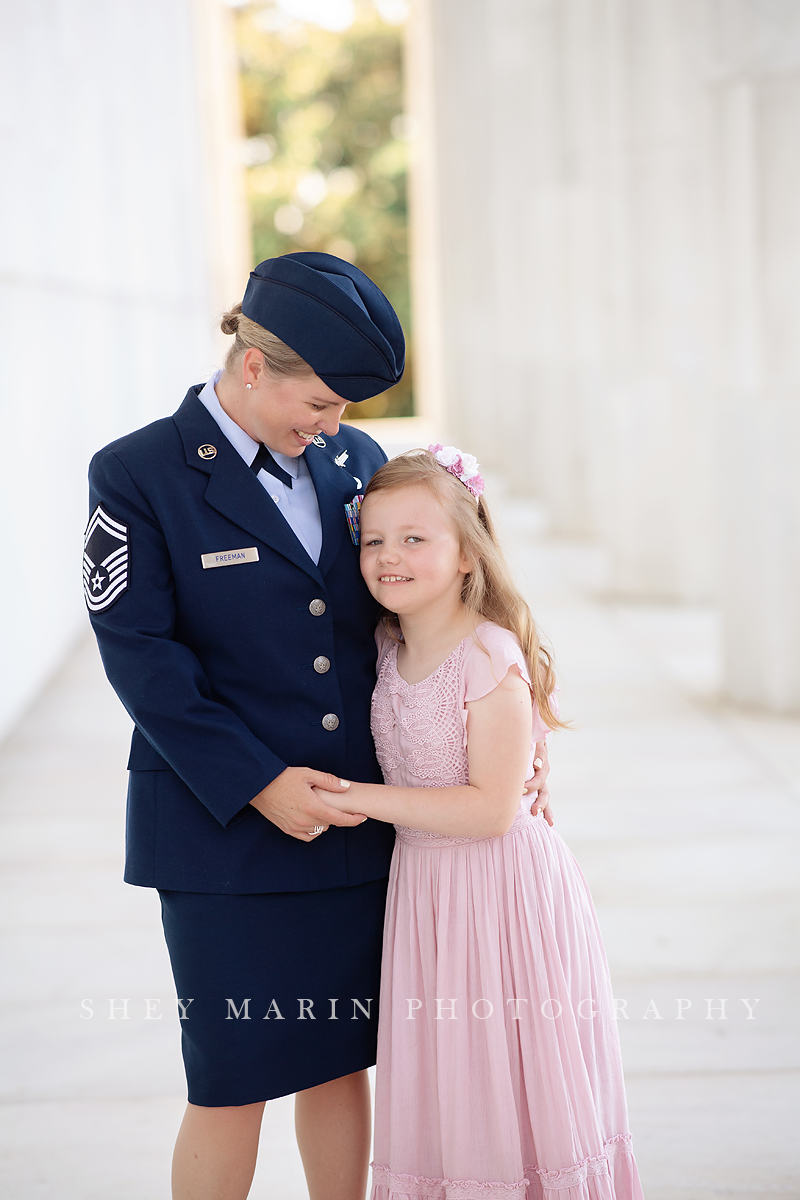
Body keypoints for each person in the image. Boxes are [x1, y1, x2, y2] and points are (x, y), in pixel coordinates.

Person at [83, 248, 554, 1200]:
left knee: (342, 1061)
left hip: (354, 824)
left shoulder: (356, 461)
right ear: (254, 366)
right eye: (322, 404)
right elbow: (141, 657)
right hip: (224, 834)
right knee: (229, 1081)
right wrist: (259, 782)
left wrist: (510, 736)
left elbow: (416, 610)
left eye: (342, 410)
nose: (333, 427)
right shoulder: (138, 473)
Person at [314, 446, 645, 1199]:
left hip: (502, 896)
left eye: (415, 538)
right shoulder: (386, 646)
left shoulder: (488, 654)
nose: (388, 557)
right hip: (427, 892)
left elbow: (493, 808)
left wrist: (356, 798)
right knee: (452, 1077)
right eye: (373, 539)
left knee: (510, 1075)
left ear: (468, 553)